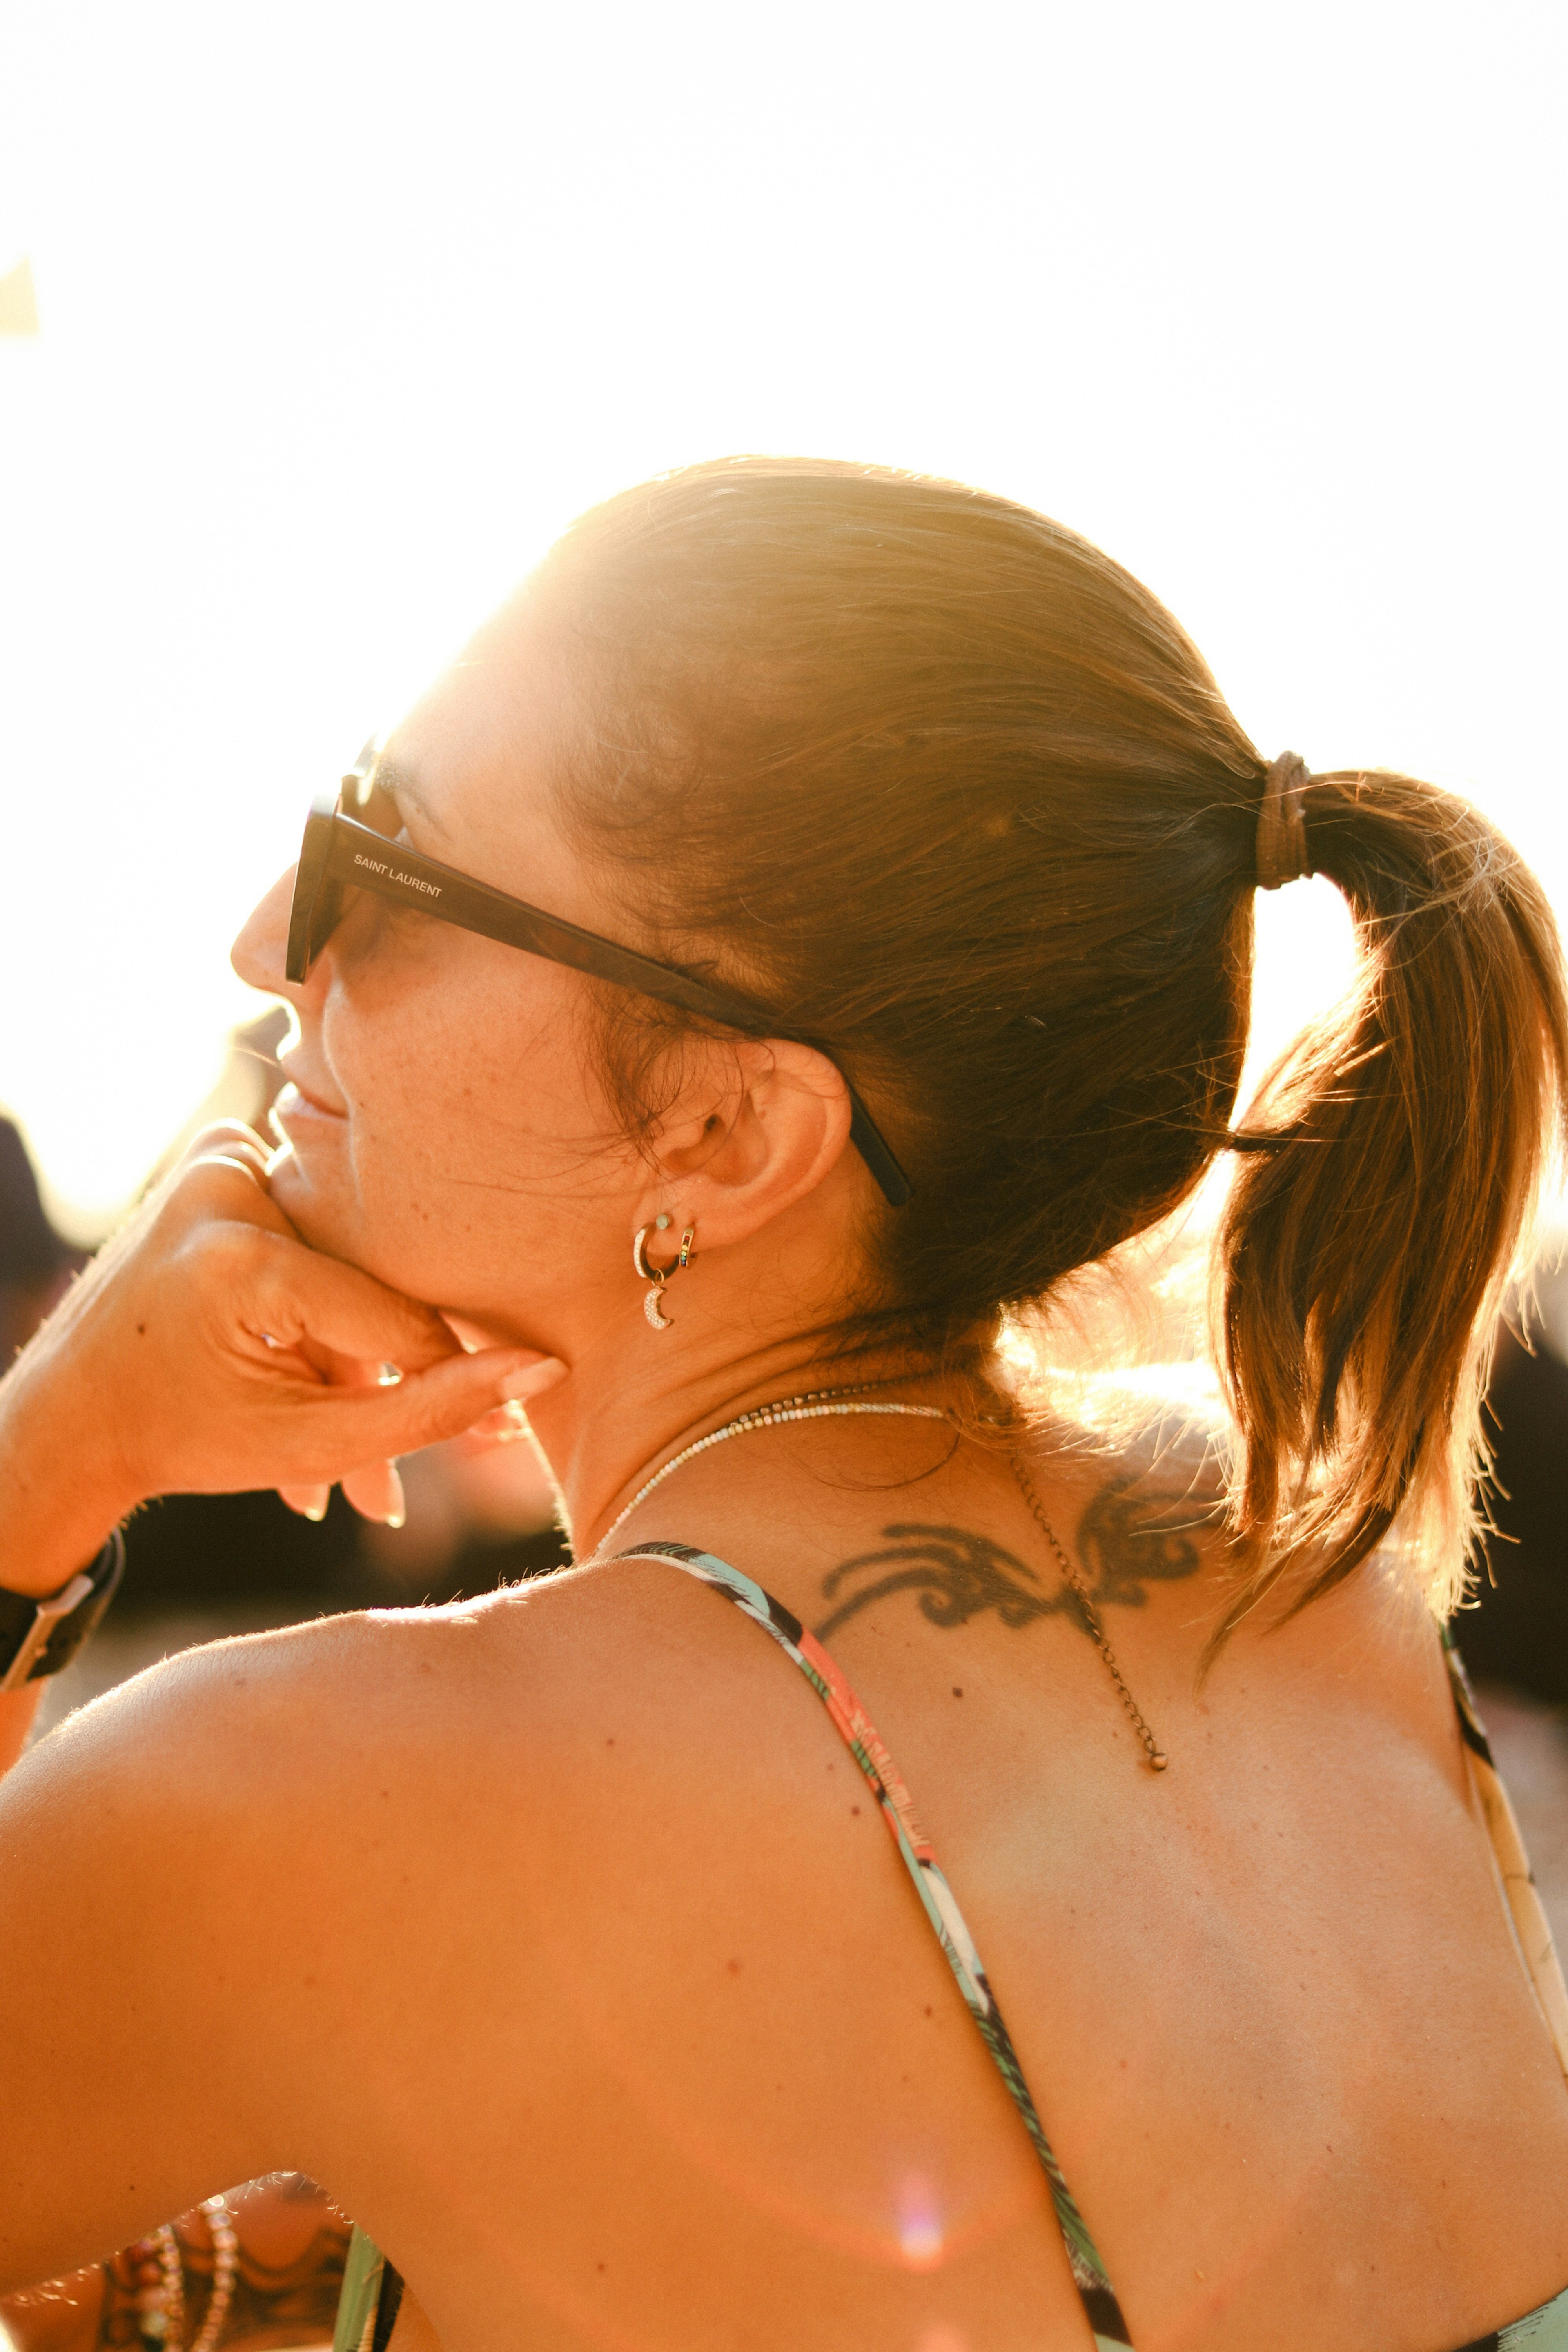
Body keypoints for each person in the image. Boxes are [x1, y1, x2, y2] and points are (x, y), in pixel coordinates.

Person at [1, 458, 1565, 2352]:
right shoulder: (1302, 1560)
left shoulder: (340, 1789)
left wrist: (56, 1457)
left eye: (380, 865)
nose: (271, 942)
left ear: (731, 1132)